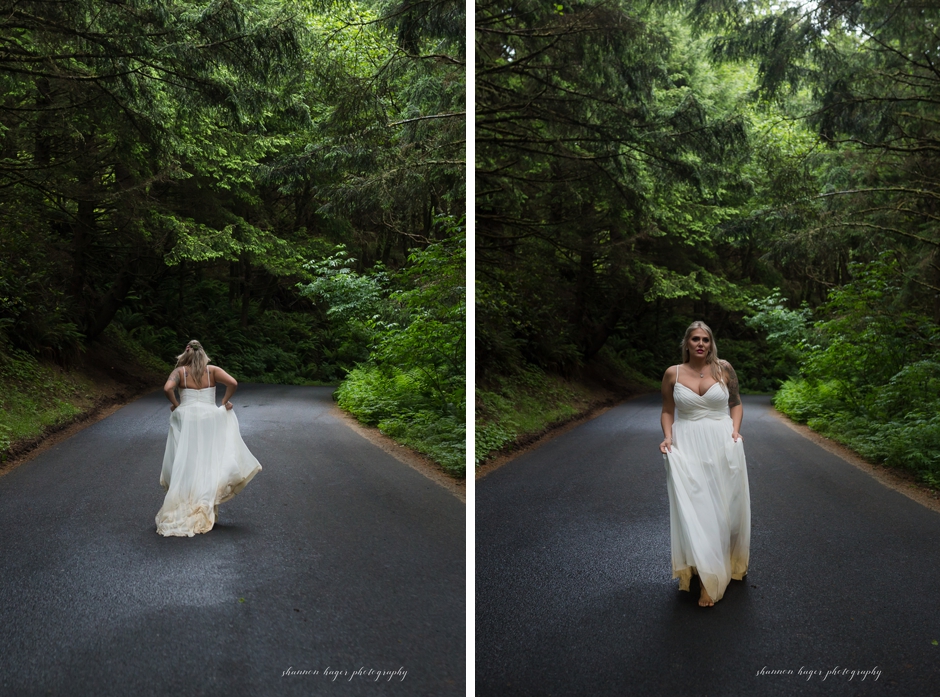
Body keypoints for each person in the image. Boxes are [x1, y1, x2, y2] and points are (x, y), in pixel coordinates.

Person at [659, 321, 750, 607]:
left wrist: (735, 431)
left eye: (706, 339)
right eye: (696, 339)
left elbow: (735, 403)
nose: (701, 344)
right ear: (686, 343)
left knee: (724, 510)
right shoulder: (672, 373)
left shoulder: (724, 369)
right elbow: (667, 410)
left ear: (711, 344)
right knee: (697, 508)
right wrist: (668, 437)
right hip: (687, 445)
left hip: (721, 442)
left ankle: (721, 561)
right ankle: (707, 578)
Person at [156, 340, 261, 537]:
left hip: (186, 417)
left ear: (186, 354)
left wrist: (177, 405)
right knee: (207, 459)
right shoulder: (212, 370)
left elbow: (167, 388)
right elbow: (233, 383)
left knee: (187, 458)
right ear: (203, 354)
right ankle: (205, 501)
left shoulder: (180, 372)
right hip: (209, 417)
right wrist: (224, 401)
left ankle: (185, 498)